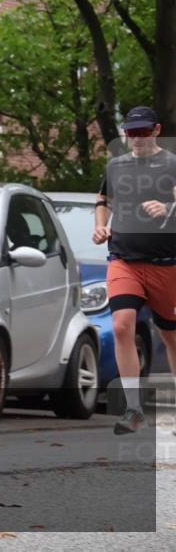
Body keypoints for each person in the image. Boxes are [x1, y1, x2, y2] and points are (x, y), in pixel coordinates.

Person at [91, 106, 176, 435]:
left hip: (166, 264)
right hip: (124, 259)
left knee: (170, 336)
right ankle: (134, 409)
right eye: (130, 133)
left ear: (156, 130)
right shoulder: (116, 166)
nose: (136, 139)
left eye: (142, 132)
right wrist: (101, 226)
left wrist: (168, 206)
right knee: (122, 326)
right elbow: (103, 199)